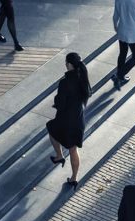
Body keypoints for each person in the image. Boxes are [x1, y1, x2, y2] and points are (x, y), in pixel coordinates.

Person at [46, 52, 91, 191]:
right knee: (73, 149)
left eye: (66, 62)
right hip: (78, 120)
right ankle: (74, 178)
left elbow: (60, 102)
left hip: (65, 119)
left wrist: (56, 102)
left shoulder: (65, 82)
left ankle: (59, 155)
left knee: (51, 128)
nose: (65, 64)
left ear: (70, 65)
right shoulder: (83, 78)